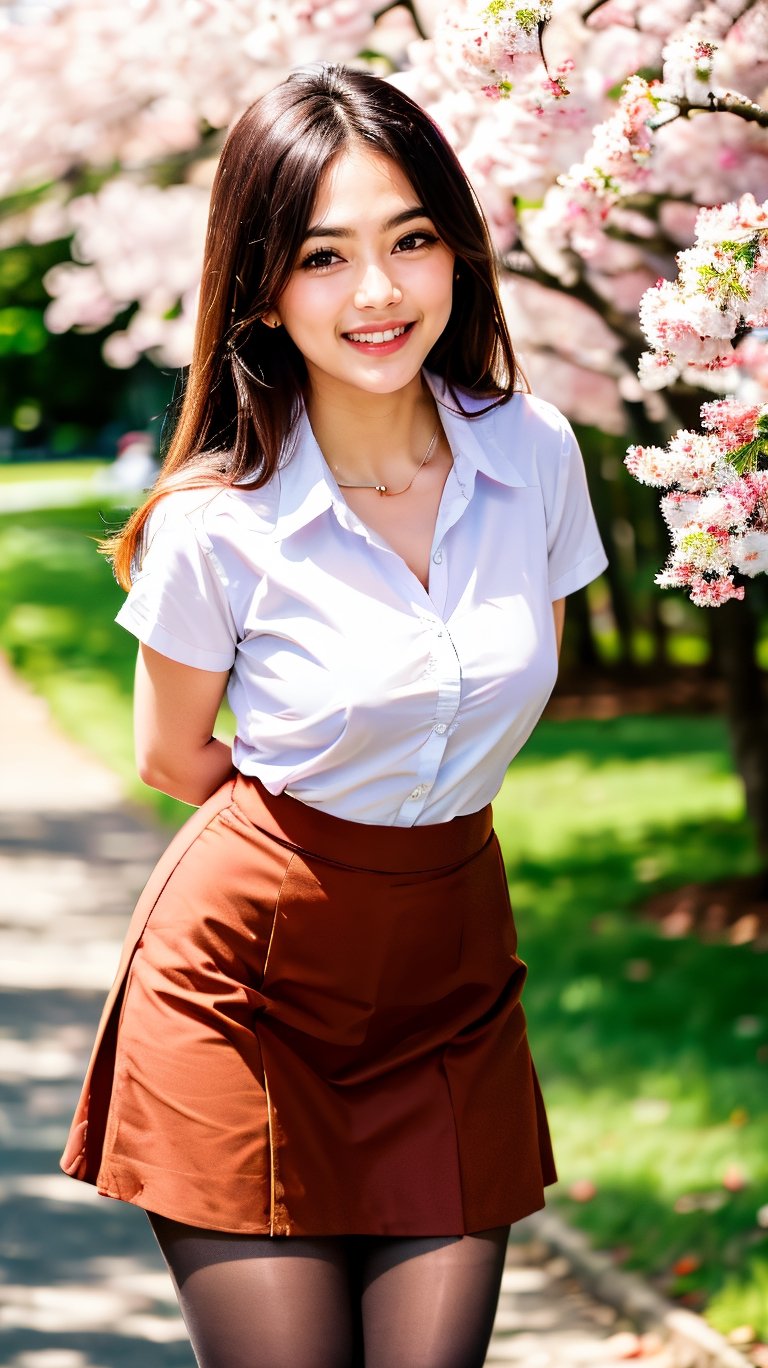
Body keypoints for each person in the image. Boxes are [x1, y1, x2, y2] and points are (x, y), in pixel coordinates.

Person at [60, 63, 608, 1368]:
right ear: (260, 281)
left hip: (452, 978)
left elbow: (522, 680)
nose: (379, 294)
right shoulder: (214, 522)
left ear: (458, 252)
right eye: (323, 255)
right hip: (242, 990)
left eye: (412, 239)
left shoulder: (535, 453)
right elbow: (170, 756)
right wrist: (339, 831)